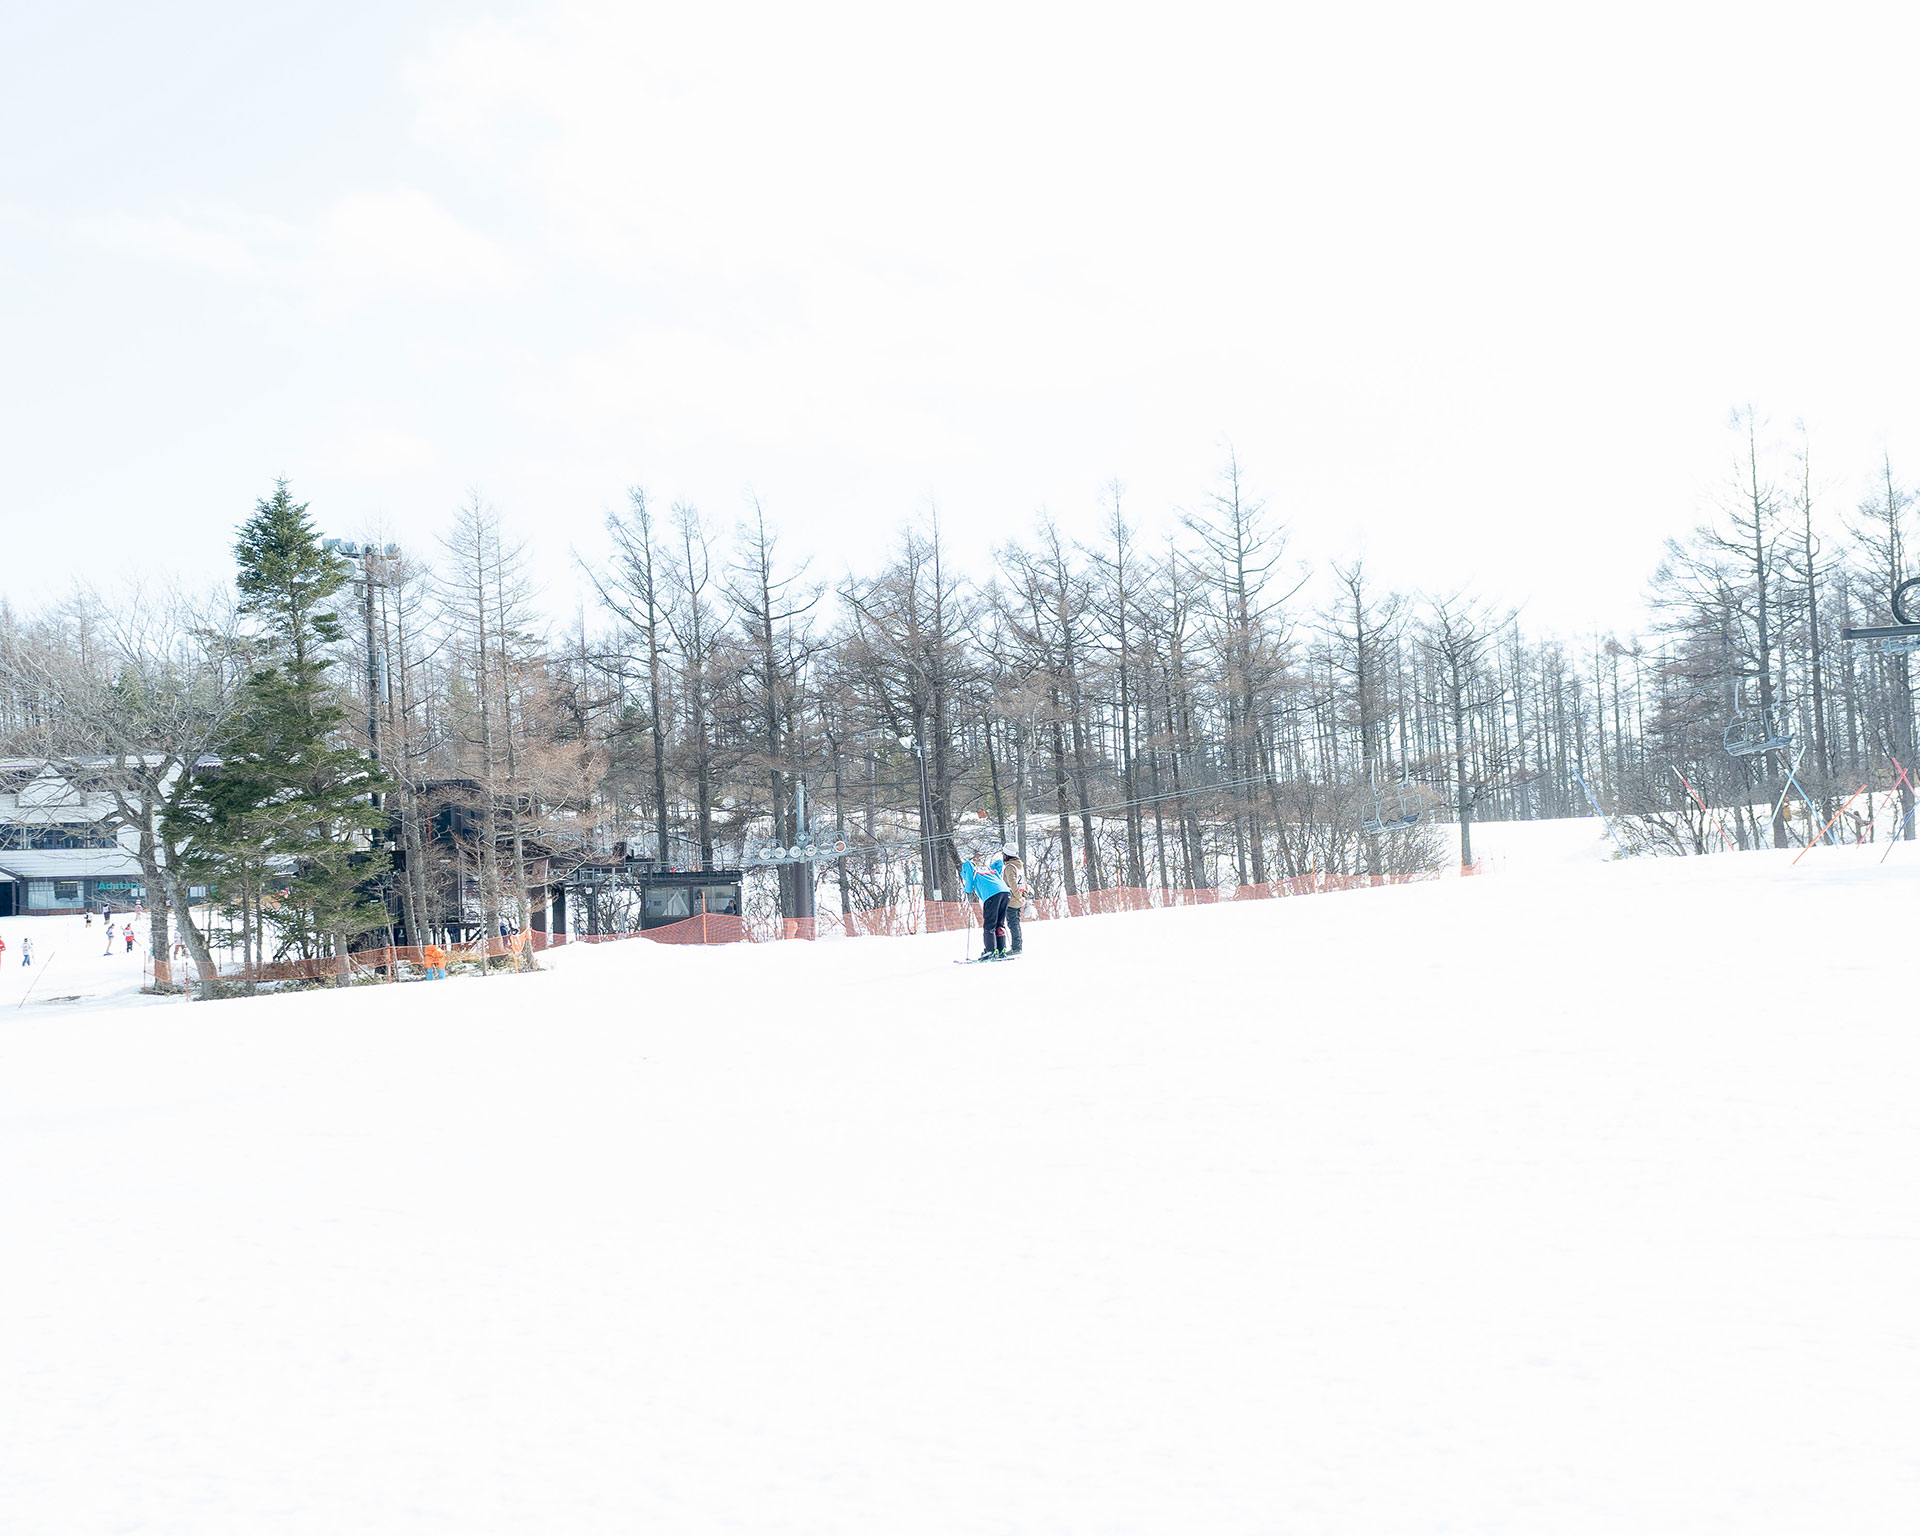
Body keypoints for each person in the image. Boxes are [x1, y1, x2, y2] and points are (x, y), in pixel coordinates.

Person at [958, 856, 1011, 962]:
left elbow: (968, 867)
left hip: (992, 895)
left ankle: (990, 950)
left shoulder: (972, 873)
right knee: (999, 923)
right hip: (1005, 892)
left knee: (989, 924)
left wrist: (968, 890)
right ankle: (1001, 949)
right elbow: (999, 863)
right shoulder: (989, 871)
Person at [993, 843, 1029, 956]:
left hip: (1013, 900)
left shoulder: (1009, 867)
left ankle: (1016, 947)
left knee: (1013, 924)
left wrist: (1018, 897)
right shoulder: (1019, 865)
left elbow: (1012, 884)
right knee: (1015, 923)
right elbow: (1024, 882)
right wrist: (1024, 896)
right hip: (1019, 897)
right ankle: (1018, 946)